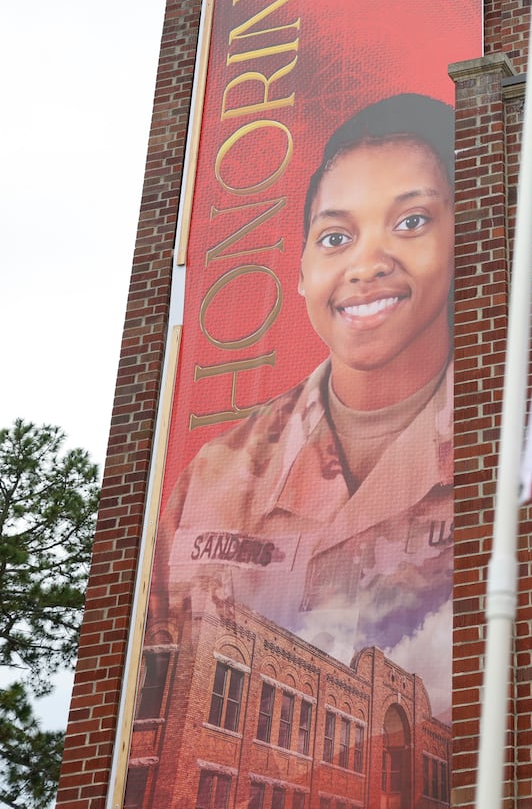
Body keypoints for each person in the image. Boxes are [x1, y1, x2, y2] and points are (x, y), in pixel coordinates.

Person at [155, 94, 456, 700]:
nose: (365, 265)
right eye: (336, 236)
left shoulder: (514, 431)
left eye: (412, 222)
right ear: (298, 271)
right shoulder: (211, 483)